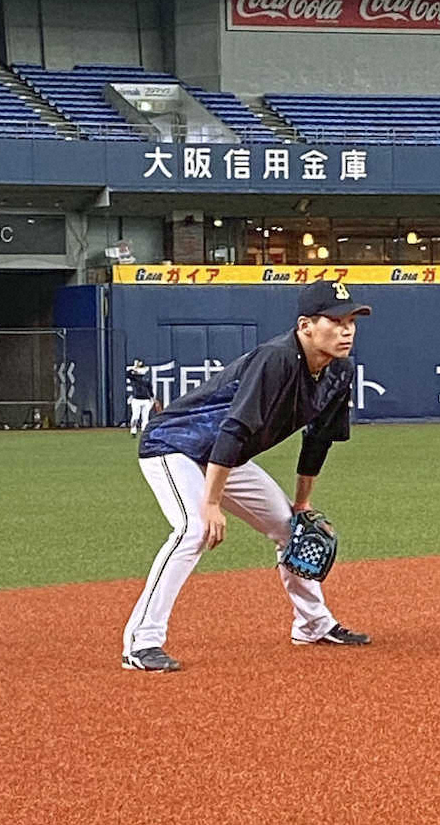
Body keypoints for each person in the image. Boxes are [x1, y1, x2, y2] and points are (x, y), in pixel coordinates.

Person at [122, 279, 373, 673]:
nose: (347, 331)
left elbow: (318, 439)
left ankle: (313, 624)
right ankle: (142, 642)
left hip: (226, 456)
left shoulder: (339, 372)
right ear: (306, 326)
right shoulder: (276, 359)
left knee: (292, 529)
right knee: (193, 530)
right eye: (336, 321)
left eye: (352, 322)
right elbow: (234, 429)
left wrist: (302, 503)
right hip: (174, 445)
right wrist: (210, 503)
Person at [125, 359, 154, 436]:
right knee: (135, 416)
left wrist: (152, 397)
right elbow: (127, 374)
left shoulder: (146, 378)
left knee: (145, 417)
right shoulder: (133, 377)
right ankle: (133, 430)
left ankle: (144, 431)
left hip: (146, 399)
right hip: (136, 399)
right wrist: (134, 368)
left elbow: (150, 388)